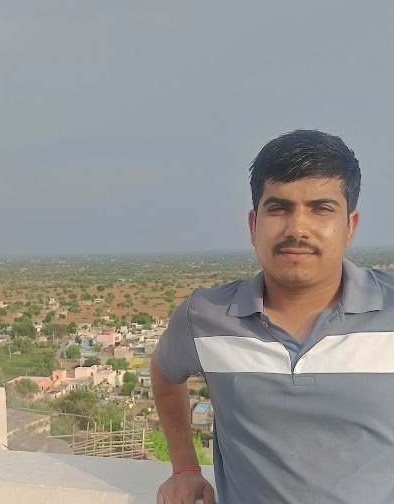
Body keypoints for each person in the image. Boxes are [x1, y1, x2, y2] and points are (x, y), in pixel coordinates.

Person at [151, 129, 394, 504]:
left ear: (350, 226)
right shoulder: (204, 317)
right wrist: (184, 468)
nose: (297, 229)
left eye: (321, 209)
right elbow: (165, 374)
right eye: (279, 208)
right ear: (253, 225)